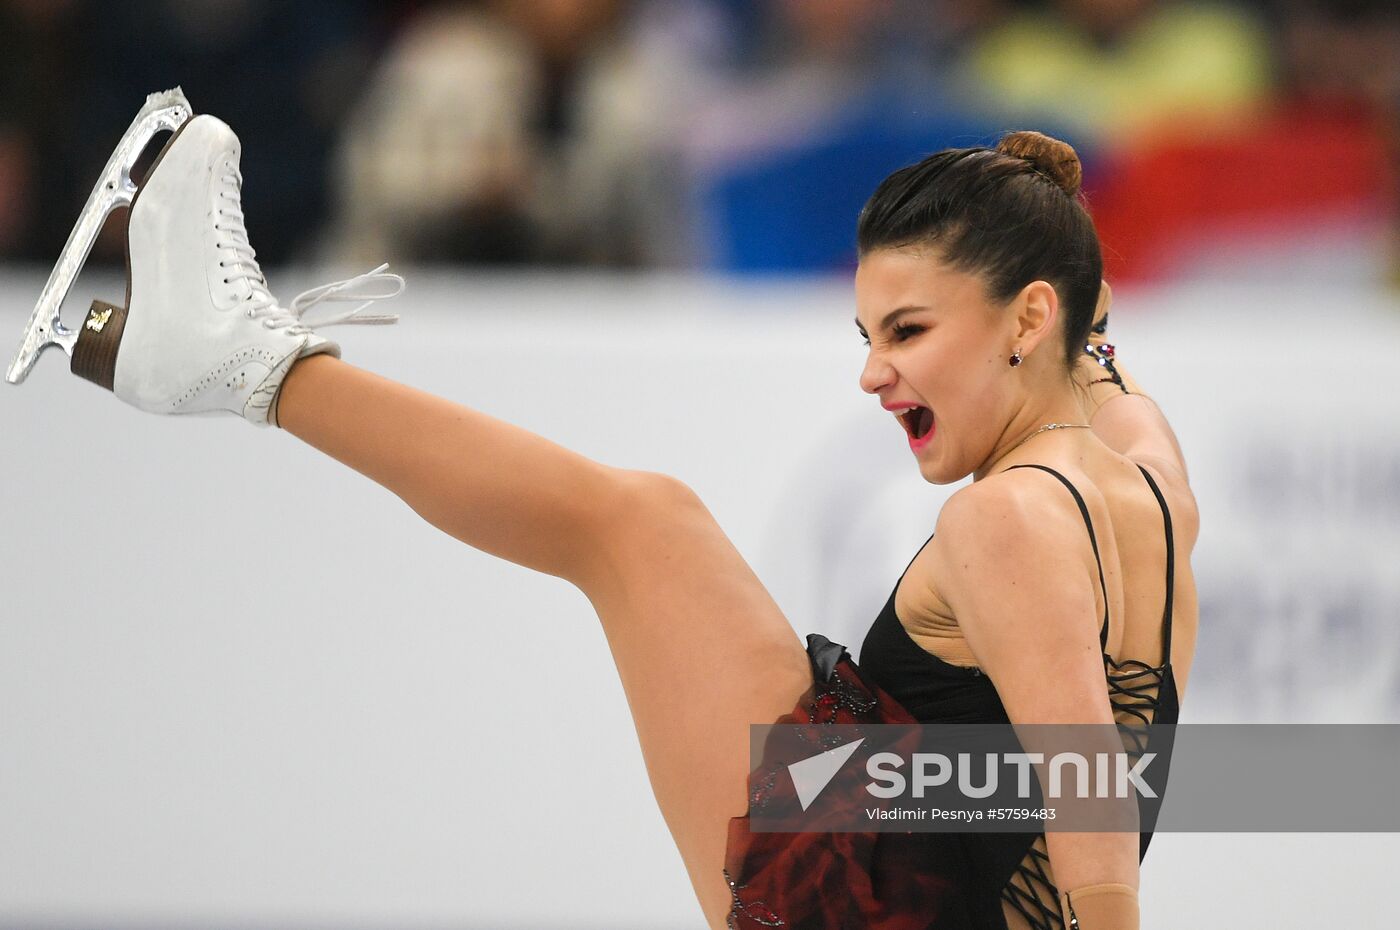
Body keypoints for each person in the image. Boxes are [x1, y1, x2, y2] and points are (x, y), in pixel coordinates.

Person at [11, 101, 1197, 929]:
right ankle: (225, 356)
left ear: (1025, 318)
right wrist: (1054, 248)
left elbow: (1087, 786)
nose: (873, 375)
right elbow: (1087, 351)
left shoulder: (1009, 520)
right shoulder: (1151, 482)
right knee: (647, 525)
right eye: (867, 336)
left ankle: (234, 361)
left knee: (631, 528)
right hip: (910, 835)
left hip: (884, 894)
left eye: (908, 333)